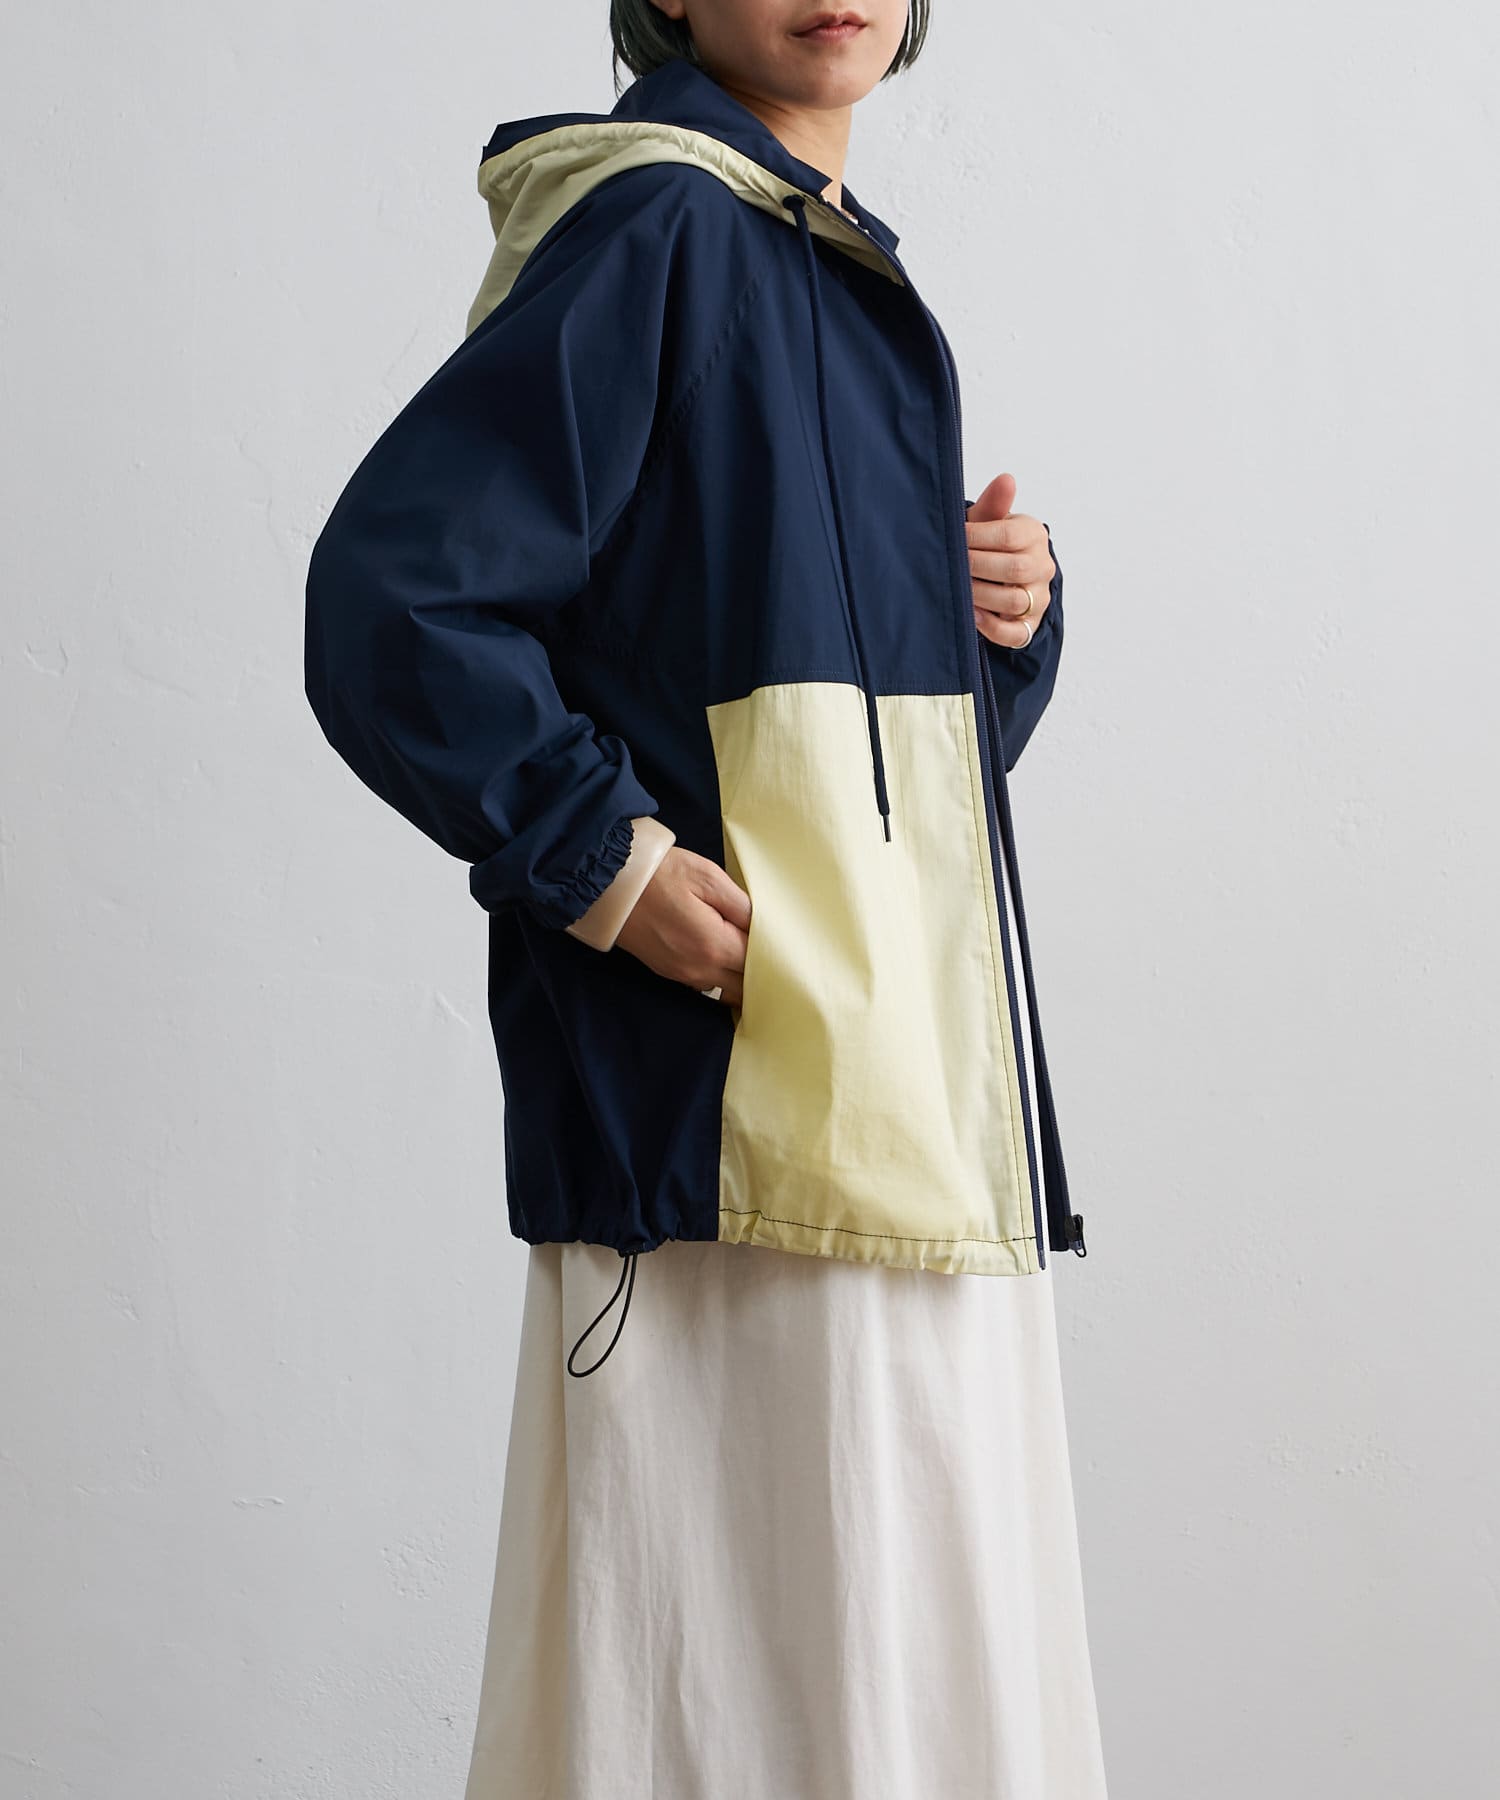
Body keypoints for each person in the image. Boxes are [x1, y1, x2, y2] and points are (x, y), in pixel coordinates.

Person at [304, 2, 1108, 1793]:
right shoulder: (664, 223)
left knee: (894, 1679)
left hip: (903, 1114)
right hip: (730, 1130)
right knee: (750, 1696)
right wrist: (607, 866)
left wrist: (995, 623)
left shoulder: (812, 258)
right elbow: (393, 602)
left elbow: (857, 773)